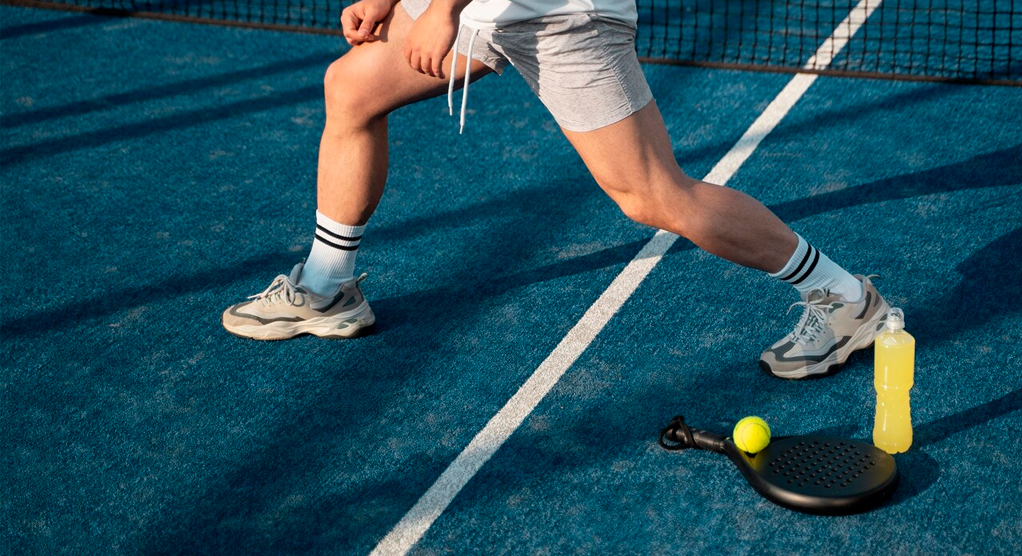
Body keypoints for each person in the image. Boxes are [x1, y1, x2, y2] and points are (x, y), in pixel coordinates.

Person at [221, 0, 891, 379]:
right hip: (495, 9)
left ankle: (843, 296)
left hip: (561, 11)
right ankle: (328, 284)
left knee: (653, 194)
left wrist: (441, 8)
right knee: (352, 88)